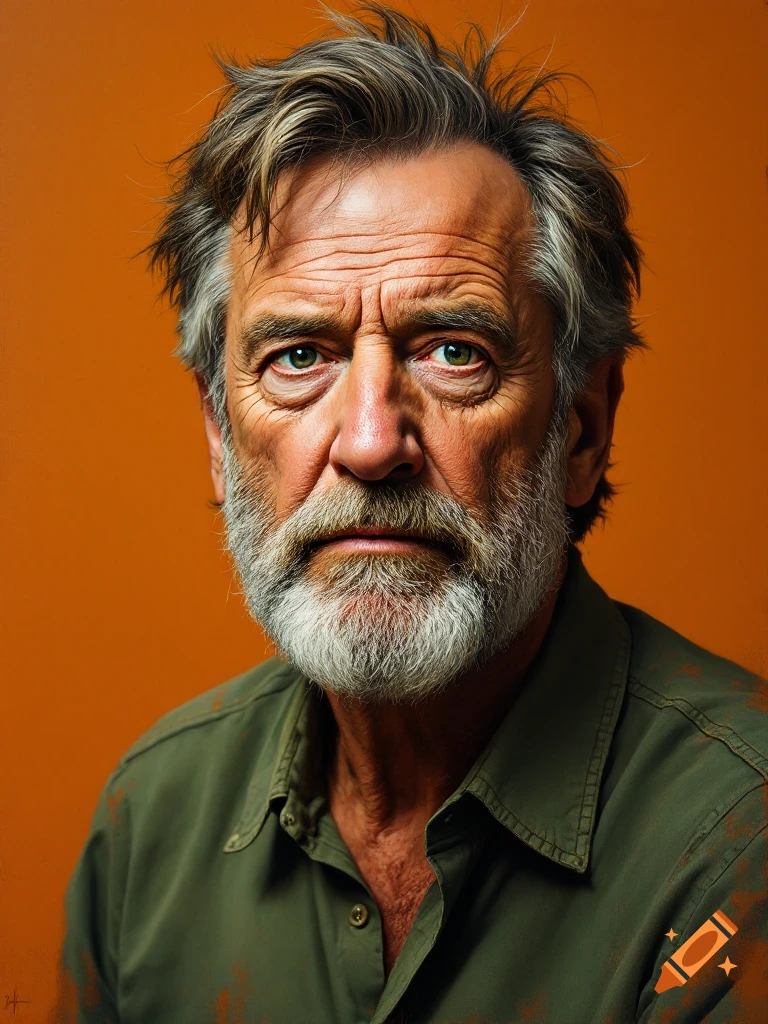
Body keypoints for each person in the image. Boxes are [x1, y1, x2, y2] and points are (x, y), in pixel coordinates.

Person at [59, 5, 768, 1022]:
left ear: (581, 428)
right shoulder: (150, 826)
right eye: (298, 356)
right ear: (221, 435)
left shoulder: (739, 842)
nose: (369, 441)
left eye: (454, 350)